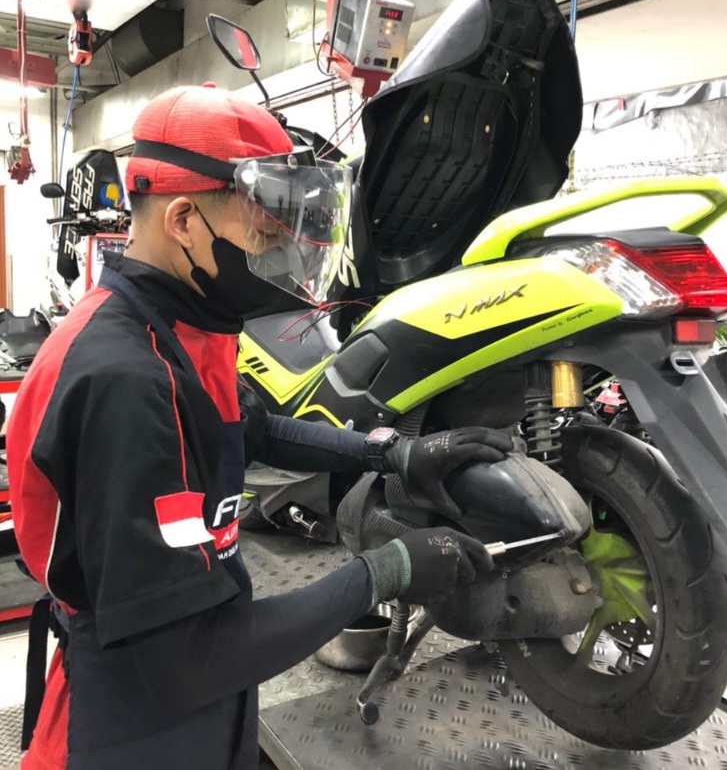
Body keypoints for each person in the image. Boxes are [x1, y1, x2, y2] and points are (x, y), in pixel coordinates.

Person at [6, 84, 515, 770]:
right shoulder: (124, 381)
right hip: (128, 723)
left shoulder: (190, 325)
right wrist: (384, 572)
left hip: (210, 704)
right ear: (184, 220)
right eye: (267, 233)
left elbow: (251, 429)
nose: (280, 253)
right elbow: (188, 659)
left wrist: (392, 453)